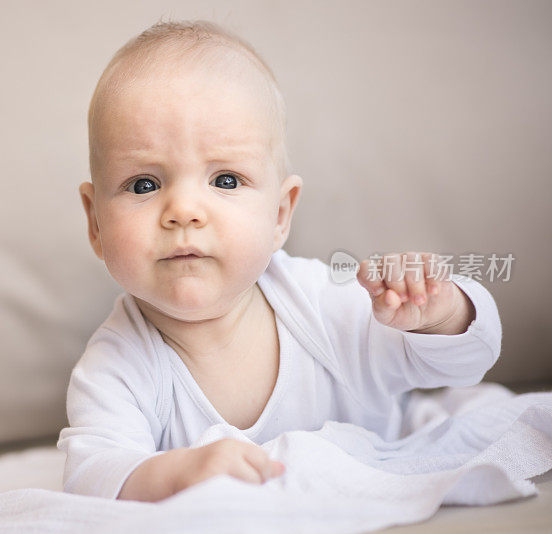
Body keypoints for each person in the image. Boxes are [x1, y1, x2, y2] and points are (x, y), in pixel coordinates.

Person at [56, 19, 501, 502]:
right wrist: (178, 472)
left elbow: (468, 362)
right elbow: (92, 474)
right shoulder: (118, 364)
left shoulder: (323, 306)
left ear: (280, 215)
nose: (183, 210)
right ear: (95, 223)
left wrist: (439, 313)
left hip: (383, 471)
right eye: (144, 184)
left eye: (225, 180)